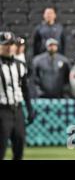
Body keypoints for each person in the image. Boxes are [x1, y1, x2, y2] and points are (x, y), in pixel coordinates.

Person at [0, 32, 35, 160]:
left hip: (18, 110)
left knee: (19, 148)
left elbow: (25, 89)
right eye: (5, 45)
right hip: (2, 111)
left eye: (11, 44)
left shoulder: (20, 65)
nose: (9, 48)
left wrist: (29, 108)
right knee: (1, 149)